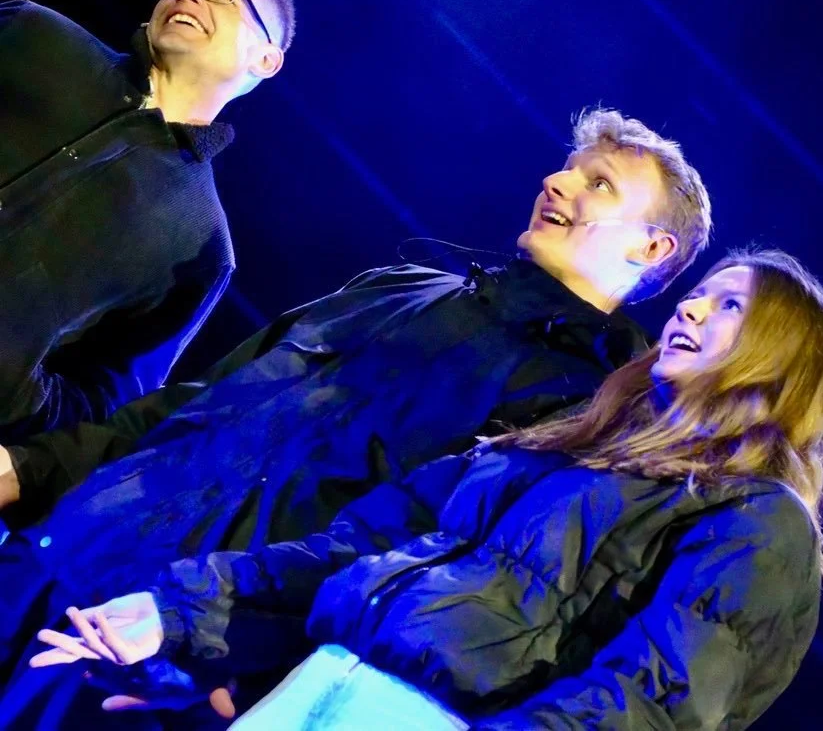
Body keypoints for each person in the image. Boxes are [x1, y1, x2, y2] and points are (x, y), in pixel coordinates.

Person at [0, 109, 711, 725]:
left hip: (156, 661)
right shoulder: (403, 286)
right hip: (50, 556)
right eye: (567, 170)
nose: (558, 185)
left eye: (599, 185)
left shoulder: (588, 407)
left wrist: (241, 680)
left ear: (652, 249)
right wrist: (27, 468)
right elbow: (192, 404)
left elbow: (421, 564)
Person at [31, 249, 823, 730]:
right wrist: (174, 616)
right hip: (319, 688)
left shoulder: (758, 522)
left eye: (729, 304)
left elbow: (650, 705)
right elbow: (345, 552)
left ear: (777, 358)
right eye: (697, 292)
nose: (691, 308)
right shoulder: (550, 448)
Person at [0, 0, 295, 442]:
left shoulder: (200, 242)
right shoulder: (34, 33)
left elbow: (101, 406)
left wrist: (12, 393)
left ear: (266, 59)